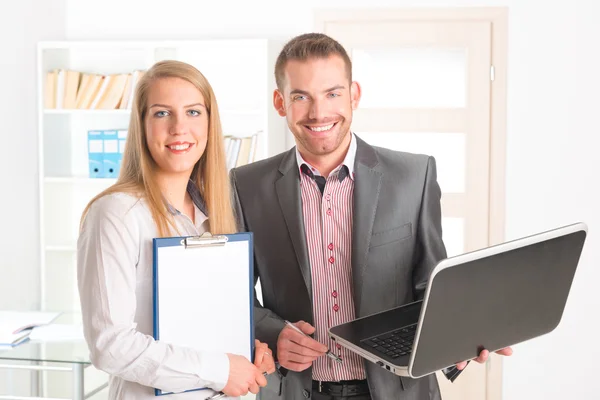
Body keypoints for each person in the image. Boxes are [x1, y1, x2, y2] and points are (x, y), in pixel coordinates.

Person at [230, 33, 512, 400]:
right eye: (302, 97)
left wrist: (460, 338)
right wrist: (272, 332)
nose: (319, 113)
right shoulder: (247, 185)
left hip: (399, 390)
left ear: (354, 95)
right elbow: (231, 295)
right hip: (295, 390)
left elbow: (431, 285)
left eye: (332, 93)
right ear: (280, 102)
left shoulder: (414, 176)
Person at [77, 60, 275, 399]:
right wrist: (221, 369)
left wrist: (249, 351)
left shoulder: (218, 215)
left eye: (194, 112)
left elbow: (207, 326)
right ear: (141, 126)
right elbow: (110, 345)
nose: (179, 128)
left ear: (211, 124)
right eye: (161, 113)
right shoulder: (115, 214)